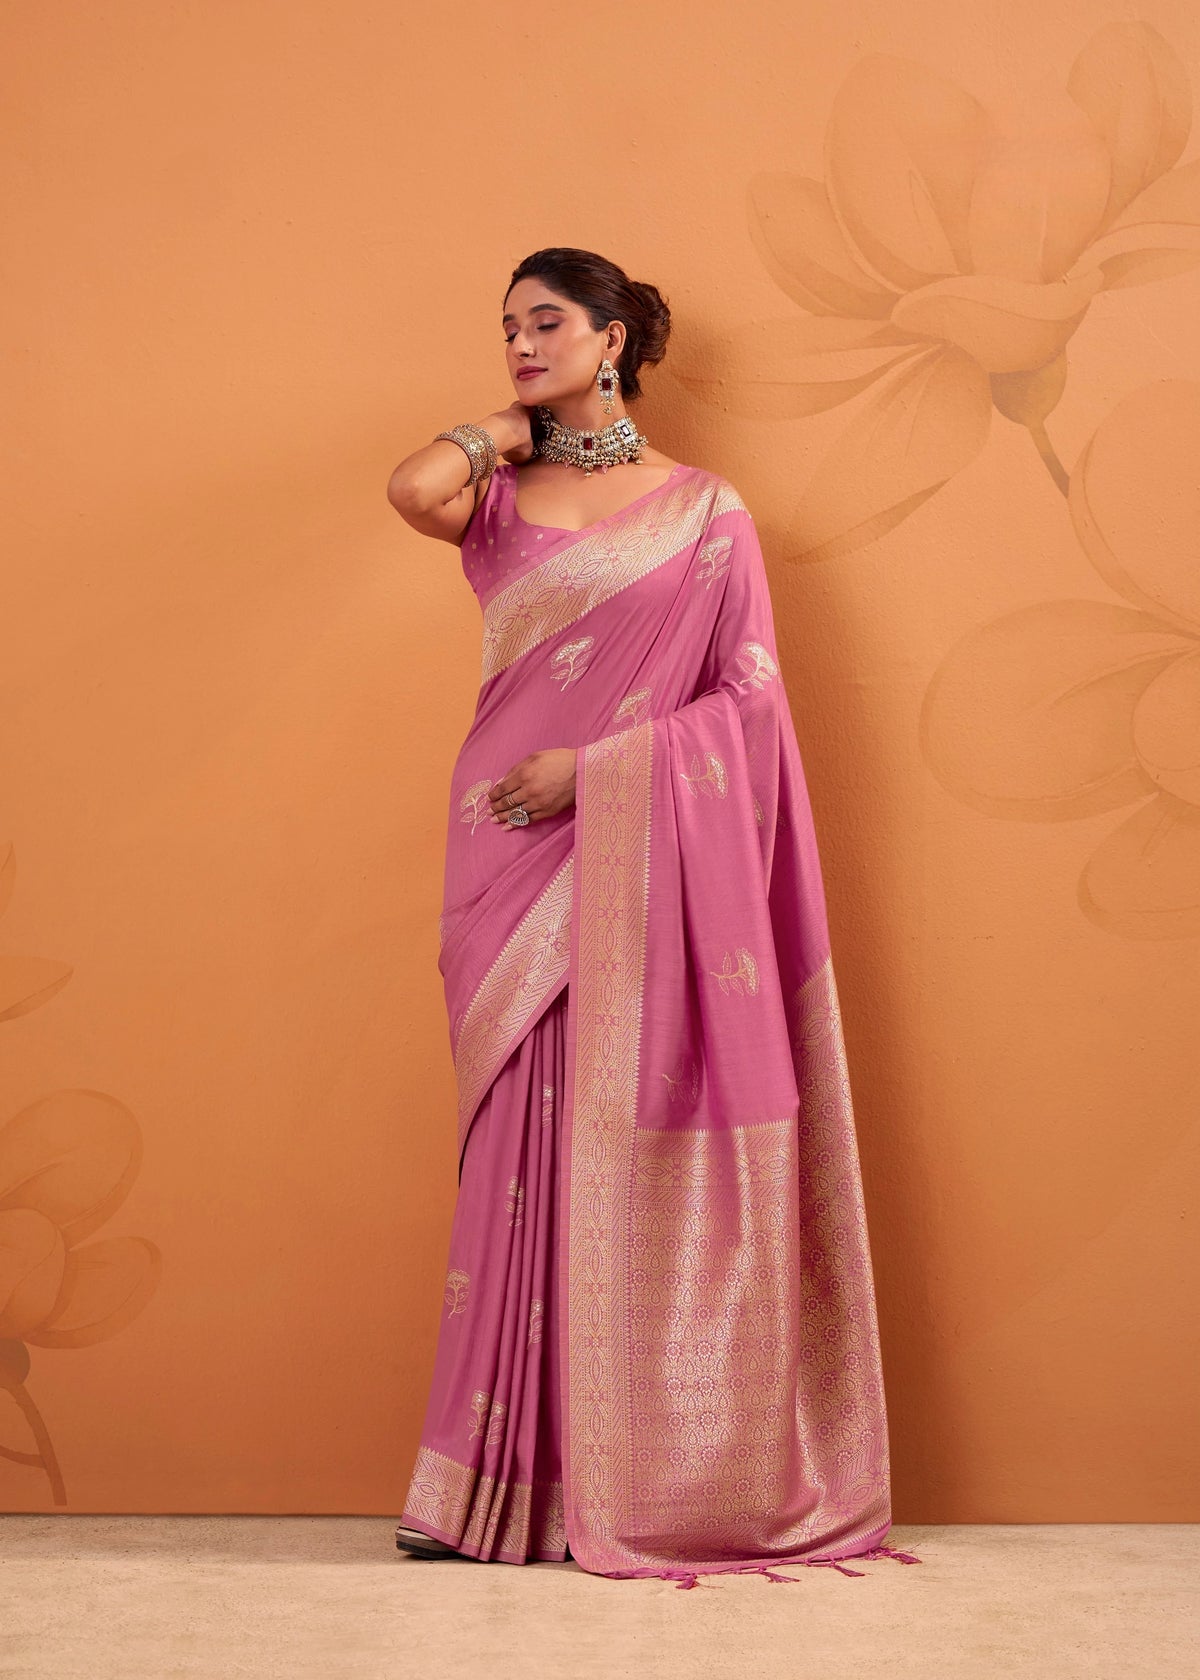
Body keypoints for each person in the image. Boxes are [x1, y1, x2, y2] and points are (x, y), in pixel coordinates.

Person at [384, 247, 919, 1587]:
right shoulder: (499, 499)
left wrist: (601, 774)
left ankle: (611, 1482)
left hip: (613, 836)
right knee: (515, 1147)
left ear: (614, 336)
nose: (520, 339)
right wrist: (499, 425)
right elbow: (410, 491)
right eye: (506, 325)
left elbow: (749, 701)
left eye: (547, 322)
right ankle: (486, 1489)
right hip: (503, 853)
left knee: (610, 1139)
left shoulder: (702, 512)